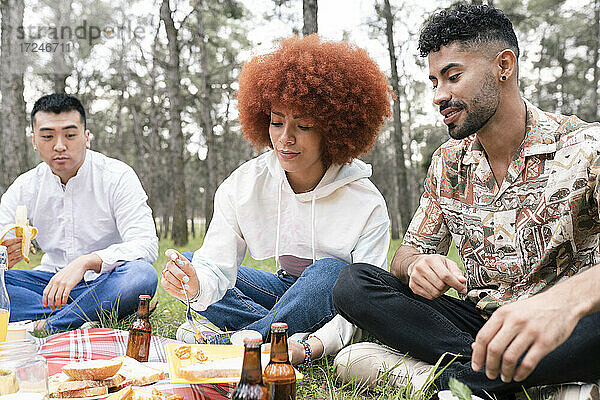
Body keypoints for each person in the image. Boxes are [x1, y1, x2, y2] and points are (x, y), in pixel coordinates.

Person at [332, 4, 600, 398]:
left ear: (503, 66)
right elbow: (405, 254)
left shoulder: (587, 147)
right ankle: (511, 384)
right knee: (353, 284)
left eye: (453, 77)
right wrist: (417, 265)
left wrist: (562, 303)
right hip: (480, 328)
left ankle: (450, 382)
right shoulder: (447, 162)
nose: (439, 95)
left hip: (565, 328)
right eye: (433, 82)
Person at [160, 34, 391, 365]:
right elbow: (216, 263)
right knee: (192, 262)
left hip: (335, 300)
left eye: (304, 125)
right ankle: (279, 332)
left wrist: (314, 346)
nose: (286, 139)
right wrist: (196, 285)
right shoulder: (243, 186)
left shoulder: (366, 202)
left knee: (334, 273)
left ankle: (236, 344)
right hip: (282, 291)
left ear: (334, 129)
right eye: (277, 121)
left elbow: (367, 299)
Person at [0, 93, 159, 333]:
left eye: (70, 135)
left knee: (142, 275)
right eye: (47, 136)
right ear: (34, 140)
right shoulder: (25, 187)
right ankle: (90, 314)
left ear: (87, 137)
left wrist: (86, 262)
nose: (59, 146)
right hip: (48, 286)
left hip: (105, 281)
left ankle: (50, 325)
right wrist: (4, 256)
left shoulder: (117, 176)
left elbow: (146, 245)